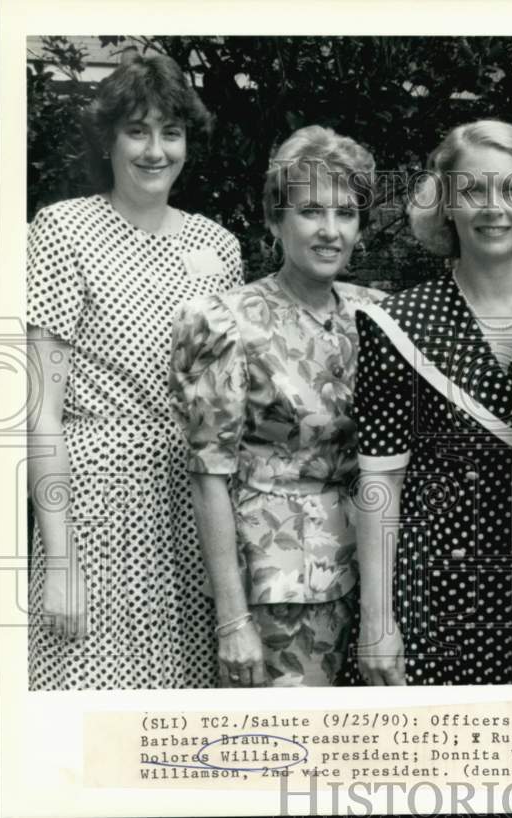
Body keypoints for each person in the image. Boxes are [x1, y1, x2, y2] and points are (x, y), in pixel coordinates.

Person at [26, 54, 243, 689]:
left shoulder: (219, 246)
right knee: (84, 703)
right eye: (137, 131)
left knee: (176, 716)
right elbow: (40, 410)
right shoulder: (64, 230)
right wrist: (60, 558)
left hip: (191, 505)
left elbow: (222, 412)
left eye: (170, 132)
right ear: (110, 139)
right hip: (92, 504)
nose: (155, 150)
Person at [169, 126, 383, 687]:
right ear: (274, 220)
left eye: (346, 213)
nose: (330, 231)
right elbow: (207, 475)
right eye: (311, 211)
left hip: (377, 577)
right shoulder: (227, 323)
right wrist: (232, 619)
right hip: (278, 589)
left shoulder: (377, 315)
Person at [352, 120, 512, 685]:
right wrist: (377, 621)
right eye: (472, 191)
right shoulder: (396, 323)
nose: (494, 208)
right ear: (445, 205)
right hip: (433, 594)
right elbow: (380, 485)